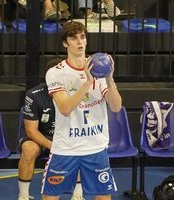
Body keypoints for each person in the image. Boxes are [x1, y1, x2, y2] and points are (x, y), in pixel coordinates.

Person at [42, 21, 122, 200]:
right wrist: (87, 82)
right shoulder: (56, 73)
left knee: (103, 196)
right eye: (73, 38)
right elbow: (65, 108)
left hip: (95, 146)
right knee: (50, 197)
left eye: (82, 37)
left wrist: (109, 78)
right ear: (65, 43)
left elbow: (116, 107)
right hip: (66, 148)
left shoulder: (100, 70)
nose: (79, 41)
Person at [17, 58, 84, 200]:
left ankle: (78, 195)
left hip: (68, 136)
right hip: (41, 137)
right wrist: (53, 146)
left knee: (81, 147)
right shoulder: (33, 95)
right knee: (29, 149)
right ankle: (23, 195)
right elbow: (31, 131)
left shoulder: (77, 92)